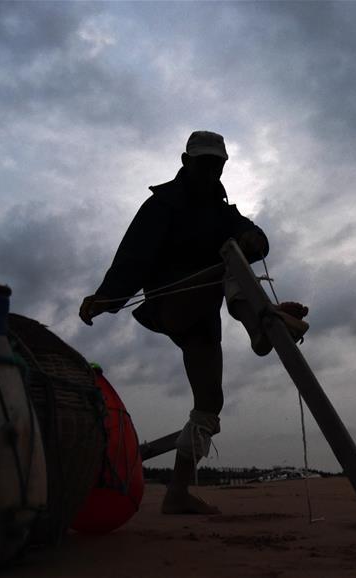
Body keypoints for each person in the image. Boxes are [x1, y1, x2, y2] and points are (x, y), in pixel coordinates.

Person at [79, 130, 305, 515]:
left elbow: (258, 238)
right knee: (230, 256)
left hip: (203, 316)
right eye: (204, 164)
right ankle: (259, 324)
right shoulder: (163, 204)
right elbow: (132, 257)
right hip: (174, 303)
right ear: (186, 162)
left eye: (217, 165)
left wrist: (255, 239)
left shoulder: (222, 211)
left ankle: (176, 492)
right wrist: (106, 299)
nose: (211, 171)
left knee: (209, 403)